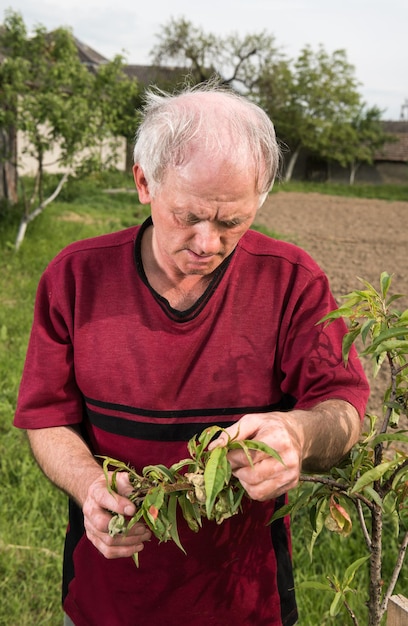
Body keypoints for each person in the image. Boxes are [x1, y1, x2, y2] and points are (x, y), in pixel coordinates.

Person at [14, 83, 369, 626]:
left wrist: (298, 434)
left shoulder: (292, 282)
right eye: (188, 216)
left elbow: (342, 407)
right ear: (143, 182)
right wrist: (91, 486)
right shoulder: (75, 277)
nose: (207, 242)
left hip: (245, 605)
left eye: (231, 222)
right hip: (106, 601)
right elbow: (47, 418)